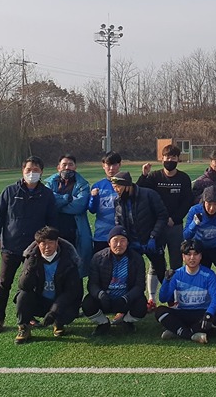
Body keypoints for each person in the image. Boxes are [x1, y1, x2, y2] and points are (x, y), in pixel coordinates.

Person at [0, 155, 57, 333]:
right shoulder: (10, 191)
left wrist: (49, 242)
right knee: (4, 283)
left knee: (32, 284)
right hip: (11, 246)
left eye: (35, 170)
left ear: (42, 172)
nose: (32, 173)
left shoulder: (46, 194)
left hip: (35, 248)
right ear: (22, 171)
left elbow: (51, 221)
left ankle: (28, 316)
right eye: (28, 170)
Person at [13, 226, 83, 344]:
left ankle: (59, 323)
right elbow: (23, 286)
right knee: (22, 296)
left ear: (57, 242)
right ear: (37, 244)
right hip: (40, 300)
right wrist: (30, 267)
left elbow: (71, 291)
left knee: (69, 311)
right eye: (43, 243)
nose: (47, 247)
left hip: (60, 301)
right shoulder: (31, 257)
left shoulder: (69, 259)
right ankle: (24, 327)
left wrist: (54, 311)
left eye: (50, 243)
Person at [110, 172, 169, 311]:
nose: (116, 190)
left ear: (127, 185)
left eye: (117, 187)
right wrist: (126, 240)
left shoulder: (149, 195)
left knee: (161, 271)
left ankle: (173, 301)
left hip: (152, 242)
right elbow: (118, 221)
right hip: (133, 244)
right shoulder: (118, 201)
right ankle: (135, 304)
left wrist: (153, 237)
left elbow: (162, 216)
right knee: (132, 274)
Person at [82, 224, 147, 336]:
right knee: (87, 303)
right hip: (105, 299)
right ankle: (103, 323)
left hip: (125, 299)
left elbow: (140, 285)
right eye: (115, 240)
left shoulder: (136, 259)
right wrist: (100, 294)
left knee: (141, 305)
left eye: (123, 240)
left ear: (127, 243)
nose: (119, 244)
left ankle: (127, 321)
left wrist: (127, 298)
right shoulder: (98, 258)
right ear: (109, 243)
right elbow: (92, 284)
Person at [137, 144, 193, 274]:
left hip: (175, 226)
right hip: (156, 226)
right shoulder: (154, 176)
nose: (170, 160)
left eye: (173, 157)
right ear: (162, 159)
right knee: (155, 263)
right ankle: (151, 294)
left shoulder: (184, 178)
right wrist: (144, 175)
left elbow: (187, 201)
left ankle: (175, 292)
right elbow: (139, 192)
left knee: (177, 261)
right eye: (167, 157)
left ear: (178, 159)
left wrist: (175, 218)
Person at [155, 239, 216, 344]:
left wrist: (209, 314)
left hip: (201, 313)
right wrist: (166, 281)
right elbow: (163, 298)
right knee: (160, 311)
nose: (192, 258)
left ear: (201, 256)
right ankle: (191, 334)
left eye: (196, 254)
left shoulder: (209, 275)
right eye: (188, 254)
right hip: (183, 312)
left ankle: (178, 330)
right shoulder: (176, 274)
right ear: (183, 257)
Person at [183, 186, 216, 317]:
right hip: (200, 248)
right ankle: (201, 304)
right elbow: (186, 236)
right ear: (203, 202)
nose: (212, 208)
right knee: (200, 276)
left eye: (215, 204)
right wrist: (194, 224)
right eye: (209, 204)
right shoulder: (194, 211)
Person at [44, 154, 92, 277]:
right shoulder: (49, 184)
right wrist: (68, 198)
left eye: (70, 164)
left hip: (75, 231)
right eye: (64, 164)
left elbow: (80, 206)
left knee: (75, 269)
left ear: (75, 167)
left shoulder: (83, 185)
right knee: (54, 268)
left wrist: (58, 204)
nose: (67, 167)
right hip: (53, 231)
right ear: (58, 167)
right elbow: (48, 202)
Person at [89, 151, 123, 253]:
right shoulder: (98, 186)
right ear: (103, 165)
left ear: (119, 165)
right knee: (101, 264)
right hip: (102, 235)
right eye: (108, 165)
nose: (111, 168)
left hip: (121, 235)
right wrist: (93, 198)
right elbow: (92, 210)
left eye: (114, 165)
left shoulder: (126, 185)